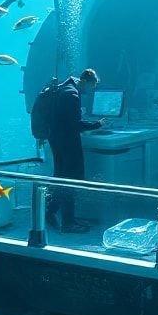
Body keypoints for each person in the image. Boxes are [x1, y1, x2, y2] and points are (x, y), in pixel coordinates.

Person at [31, 68, 105, 233]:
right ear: (86, 81)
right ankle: (68, 221)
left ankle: (51, 213)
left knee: (61, 177)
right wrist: (97, 124)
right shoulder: (72, 95)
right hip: (68, 144)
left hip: (56, 141)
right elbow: (75, 124)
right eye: (92, 86)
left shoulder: (64, 88)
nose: (91, 90)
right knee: (72, 179)